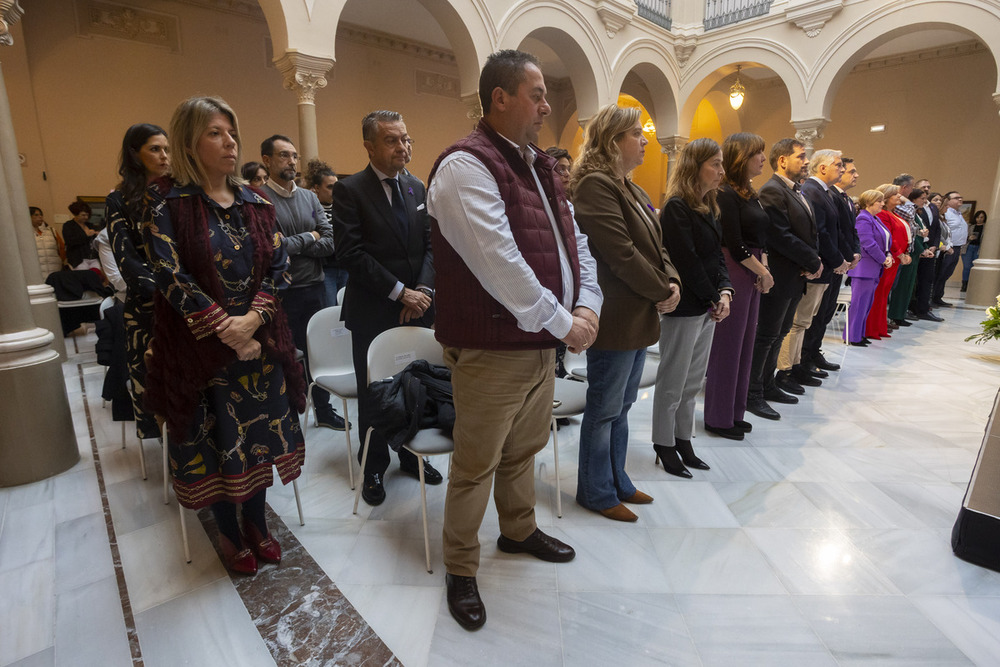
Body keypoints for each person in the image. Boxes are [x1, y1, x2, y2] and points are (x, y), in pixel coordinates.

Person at [427, 49, 602, 631]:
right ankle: (460, 567)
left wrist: (587, 304)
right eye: (537, 93)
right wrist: (564, 323)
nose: (547, 105)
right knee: (476, 463)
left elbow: (574, 243)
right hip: (491, 347)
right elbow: (499, 264)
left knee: (523, 448)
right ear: (499, 98)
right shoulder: (464, 166)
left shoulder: (542, 166)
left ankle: (518, 529)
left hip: (539, 345)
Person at [142, 96, 305, 576]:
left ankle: (256, 523)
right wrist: (225, 329)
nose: (229, 141)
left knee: (259, 439)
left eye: (231, 131)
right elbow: (168, 273)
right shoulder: (169, 202)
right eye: (215, 132)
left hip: (260, 346)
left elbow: (279, 267)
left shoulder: (256, 202)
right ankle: (230, 535)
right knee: (216, 442)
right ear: (190, 141)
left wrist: (252, 321)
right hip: (201, 352)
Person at [569, 104, 679, 521]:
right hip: (615, 316)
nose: (646, 139)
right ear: (613, 142)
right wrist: (659, 291)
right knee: (604, 408)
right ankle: (595, 491)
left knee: (623, 404)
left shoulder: (632, 188)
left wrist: (673, 283)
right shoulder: (596, 185)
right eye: (636, 133)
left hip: (638, 314)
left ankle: (618, 479)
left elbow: (658, 246)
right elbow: (620, 254)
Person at [331, 110, 441, 506]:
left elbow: (431, 245)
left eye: (406, 138)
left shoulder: (416, 186)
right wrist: (400, 293)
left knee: (418, 386)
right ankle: (373, 465)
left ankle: (411, 457)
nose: (403, 147)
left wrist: (422, 291)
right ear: (370, 146)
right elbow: (351, 253)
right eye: (393, 140)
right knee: (376, 391)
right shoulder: (351, 190)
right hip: (376, 310)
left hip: (421, 305)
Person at [653, 138, 731, 476]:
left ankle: (683, 439)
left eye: (721, 164)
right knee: (672, 381)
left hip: (707, 306)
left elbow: (717, 257)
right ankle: (663, 442)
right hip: (685, 306)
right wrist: (713, 297)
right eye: (715, 163)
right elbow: (686, 261)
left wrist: (725, 292)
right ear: (695, 166)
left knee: (692, 381)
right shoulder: (677, 207)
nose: (721, 171)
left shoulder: (711, 207)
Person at [259, 135, 347, 432]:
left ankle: (323, 410)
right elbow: (270, 248)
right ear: (267, 160)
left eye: (294, 156)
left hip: (315, 285)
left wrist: (292, 244)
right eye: (284, 155)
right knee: (287, 353)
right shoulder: (258, 199)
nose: (292, 161)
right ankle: (289, 413)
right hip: (282, 291)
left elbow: (331, 241)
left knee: (318, 353)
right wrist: (310, 237)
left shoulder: (309, 198)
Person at [746, 138, 821, 421]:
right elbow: (779, 235)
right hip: (777, 275)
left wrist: (812, 259)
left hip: (794, 275)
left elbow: (808, 233)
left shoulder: (796, 191)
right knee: (765, 336)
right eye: (801, 156)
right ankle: (752, 393)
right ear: (782, 161)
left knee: (779, 334)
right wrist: (811, 260)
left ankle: (768, 384)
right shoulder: (772, 191)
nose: (806, 162)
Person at [704, 132, 772, 440]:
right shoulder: (726, 193)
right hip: (736, 266)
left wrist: (765, 267)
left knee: (745, 343)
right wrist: (762, 271)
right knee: (728, 345)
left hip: (753, 268)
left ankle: (734, 410)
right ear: (741, 158)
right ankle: (718, 416)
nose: (763, 159)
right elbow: (733, 241)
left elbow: (762, 237)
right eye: (758, 153)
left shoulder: (751, 193)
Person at [106, 123, 171, 440]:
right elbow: (126, 259)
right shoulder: (118, 198)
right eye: (155, 149)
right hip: (148, 306)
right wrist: (170, 292)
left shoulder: (177, 192)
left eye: (166, 149)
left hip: (187, 302)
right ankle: (173, 457)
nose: (164, 156)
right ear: (135, 153)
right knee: (157, 384)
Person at [775, 149, 847, 396]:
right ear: (823, 167)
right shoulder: (813, 192)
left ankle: (796, 365)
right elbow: (819, 234)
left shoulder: (822, 192)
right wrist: (833, 259)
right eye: (838, 164)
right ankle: (785, 370)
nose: (843, 169)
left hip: (822, 267)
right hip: (814, 266)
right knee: (798, 322)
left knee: (805, 321)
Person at [801, 156, 860, 373]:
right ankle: (804, 359)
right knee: (814, 317)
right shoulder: (818, 192)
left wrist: (854, 253)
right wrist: (839, 259)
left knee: (825, 313)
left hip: (836, 261)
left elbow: (846, 231)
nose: (850, 173)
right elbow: (822, 232)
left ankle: (813, 353)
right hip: (826, 263)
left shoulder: (836, 196)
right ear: (823, 167)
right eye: (843, 167)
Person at [845, 189, 891, 345]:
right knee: (859, 305)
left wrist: (888, 255)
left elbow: (884, 241)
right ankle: (852, 336)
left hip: (873, 268)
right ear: (870, 202)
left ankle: (860, 334)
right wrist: (884, 259)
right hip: (863, 269)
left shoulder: (875, 219)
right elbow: (868, 243)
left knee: (866, 304)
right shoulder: (863, 219)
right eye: (880, 201)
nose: (883, 204)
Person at [864, 184, 909, 340]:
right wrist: (898, 253)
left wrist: (905, 252)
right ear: (887, 197)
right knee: (879, 293)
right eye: (896, 194)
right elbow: (889, 237)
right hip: (889, 259)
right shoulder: (882, 214)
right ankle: (871, 328)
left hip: (894, 260)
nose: (899, 196)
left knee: (884, 294)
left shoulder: (894, 213)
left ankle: (880, 326)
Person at [304, 158, 349, 306]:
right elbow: (314, 239)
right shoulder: (310, 211)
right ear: (316, 188)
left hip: (345, 267)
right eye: (330, 187)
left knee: (346, 312)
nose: (334, 191)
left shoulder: (342, 208)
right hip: (325, 269)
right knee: (329, 310)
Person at [888, 188, 932, 326]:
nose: (925, 202)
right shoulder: (901, 211)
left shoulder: (916, 214)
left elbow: (913, 230)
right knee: (901, 286)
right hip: (903, 252)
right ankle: (895, 315)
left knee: (908, 286)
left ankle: (900, 314)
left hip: (909, 251)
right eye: (922, 198)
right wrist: (920, 249)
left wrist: (921, 234)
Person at [913, 191, 945, 322]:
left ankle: (923, 309)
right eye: (923, 187)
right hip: (918, 249)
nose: (926, 189)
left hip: (930, 249)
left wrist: (935, 245)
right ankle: (911, 308)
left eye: (928, 187)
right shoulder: (914, 210)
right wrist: (923, 248)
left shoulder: (932, 208)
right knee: (914, 282)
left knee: (927, 280)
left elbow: (937, 229)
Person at [933, 191, 966, 307]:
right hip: (946, 248)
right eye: (957, 198)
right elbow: (940, 233)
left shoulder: (958, 213)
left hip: (956, 247)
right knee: (940, 272)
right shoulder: (946, 214)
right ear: (948, 200)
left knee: (947, 273)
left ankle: (938, 296)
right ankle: (933, 297)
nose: (960, 199)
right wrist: (946, 246)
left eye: (961, 197)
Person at [63, 201, 101, 271]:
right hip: (78, 259)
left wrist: (99, 235)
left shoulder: (90, 225)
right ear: (75, 214)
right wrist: (86, 235)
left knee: (97, 277)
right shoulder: (68, 226)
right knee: (83, 278)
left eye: (87, 215)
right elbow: (70, 241)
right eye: (83, 215)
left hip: (93, 258)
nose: (86, 217)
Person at [30, 206, 64, 277]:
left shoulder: (51, 231)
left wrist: (60, 261)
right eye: (36, 215)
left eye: (41, 215)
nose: (40, 217)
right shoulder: (24, 232)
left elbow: (61, 247)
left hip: (54, 268)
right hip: (36, 269)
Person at [963, 210, 986, 291]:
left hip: (978, 248)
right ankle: (964, 285)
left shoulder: (986, 227)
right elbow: (963, 236)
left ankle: (972, 285)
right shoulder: (970, 226)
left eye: (981, 217)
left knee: (975, 267)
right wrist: (969, 238)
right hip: (968, 247)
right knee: (967, 267)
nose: (979, 219)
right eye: (978, 217)